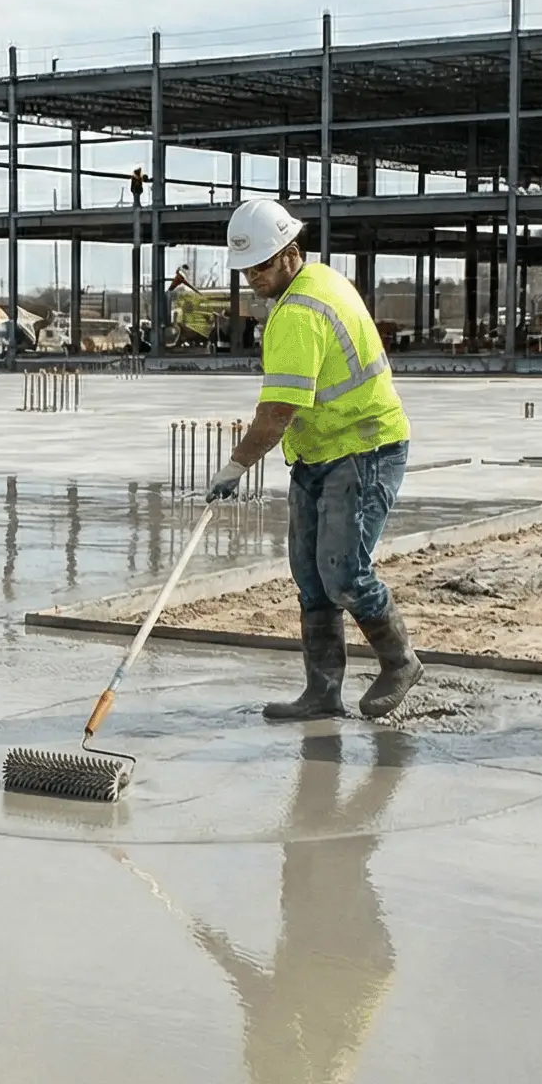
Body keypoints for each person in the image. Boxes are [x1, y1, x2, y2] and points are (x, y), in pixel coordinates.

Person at [206, 198, 421, 720]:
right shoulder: (317, 281)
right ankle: (322, 692)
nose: (254, 277)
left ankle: (399, 661)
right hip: (320, 452)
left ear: (290, 252)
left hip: (362, 448)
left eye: (262, 264)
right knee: (310, 575)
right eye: (247, 269)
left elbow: (277, 412)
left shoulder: (300, 313)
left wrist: (234, 467)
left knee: (343, 572)